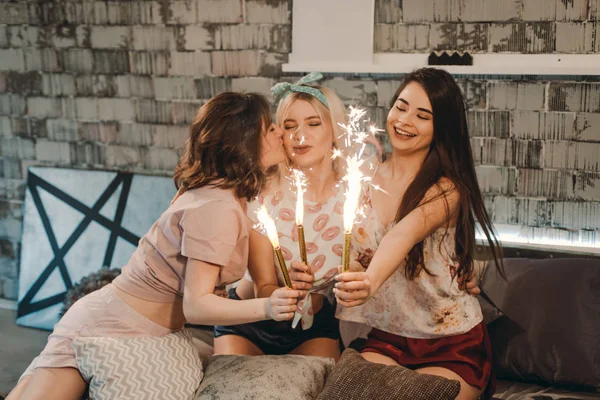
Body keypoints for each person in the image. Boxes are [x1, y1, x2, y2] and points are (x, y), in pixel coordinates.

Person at [8, 92, 300, 400]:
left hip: (136, 328)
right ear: (244, 138)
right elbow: (196, 305)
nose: (281, 132)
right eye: (270, 128)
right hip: (106, 327)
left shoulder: (226, 194)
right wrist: (267, 308)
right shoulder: (218, 207)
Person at [331, 68, 503, 400]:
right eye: (401, 106)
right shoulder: (362, 178)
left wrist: (369, 282)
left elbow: (402, 235)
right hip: (387, 337)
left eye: (423, 115)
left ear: (441, 128)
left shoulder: (446, 189)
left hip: (450, 342)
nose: (405, 120)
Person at [213, 73, 351, 360]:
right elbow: (264, 286)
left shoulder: (354, 196)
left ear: (334, 130)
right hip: (250, 320)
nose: (301, 135)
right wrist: (290, 290)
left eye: (313, 124)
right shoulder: (261, 192)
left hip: (313, 325)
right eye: (290, 126)